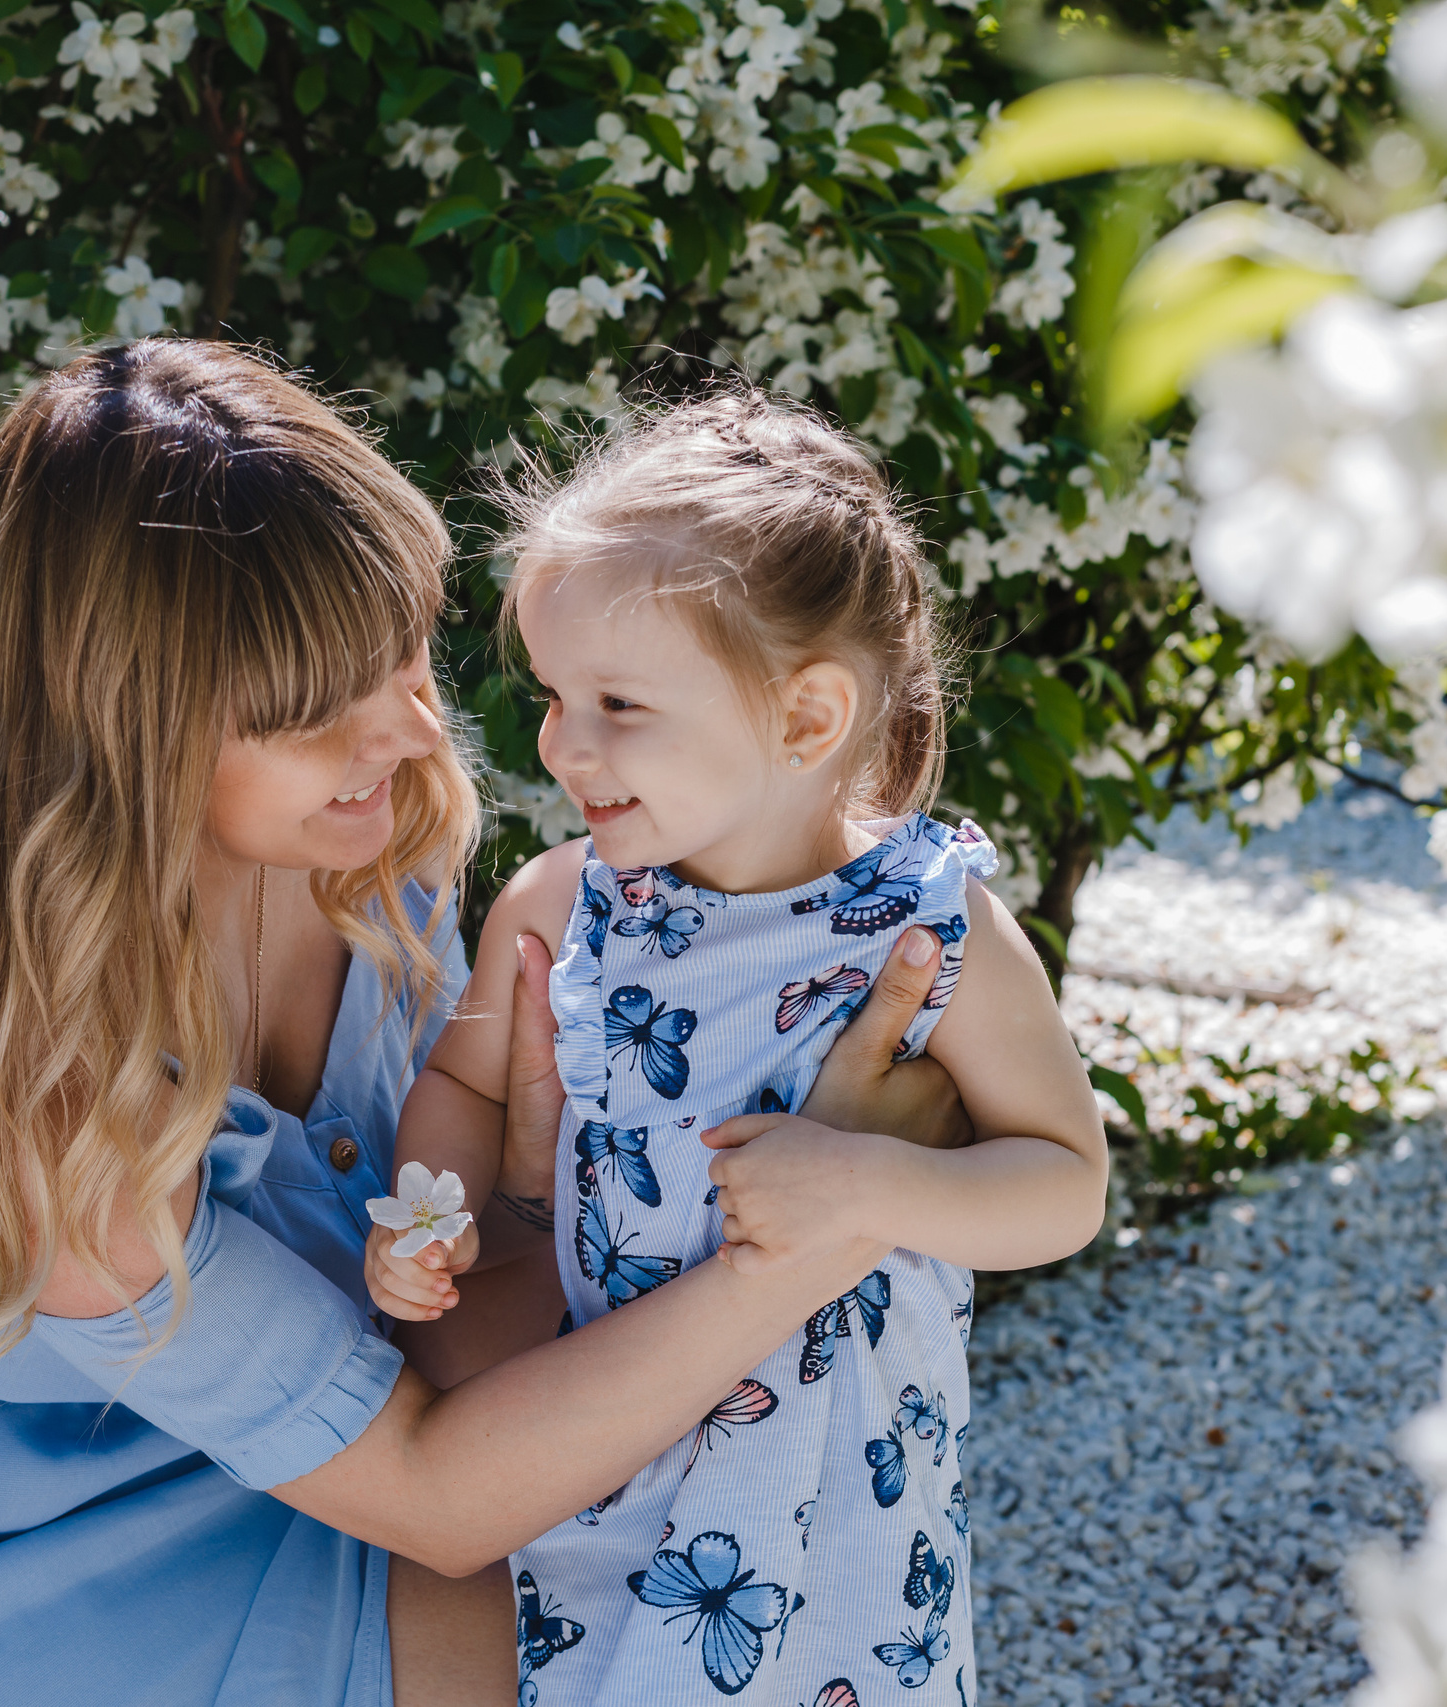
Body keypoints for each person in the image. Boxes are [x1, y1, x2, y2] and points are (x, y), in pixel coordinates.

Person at [0, 341, 968, 1707]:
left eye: (404, 647)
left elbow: (460, 1326)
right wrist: (829, 1215)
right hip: (7, 1583)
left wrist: (534, 1209)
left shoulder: (363, 839)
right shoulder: (14, 1064)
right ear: (129, 729)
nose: (418, 733)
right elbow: (439, 1494)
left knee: (741, 1518)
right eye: (313, 709)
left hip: (346, 1444)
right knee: (623, 1615)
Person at [367, 390, 1109, 1704]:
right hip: (610, 1485)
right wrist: (434, 1215)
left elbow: (1064, 1182)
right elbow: (464, 1083)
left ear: (807, 718)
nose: (562, 743)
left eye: (618, 703)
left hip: (848, 1522)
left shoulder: (934, 936)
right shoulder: (562, 905)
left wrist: (880, 1184)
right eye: (553, 695)